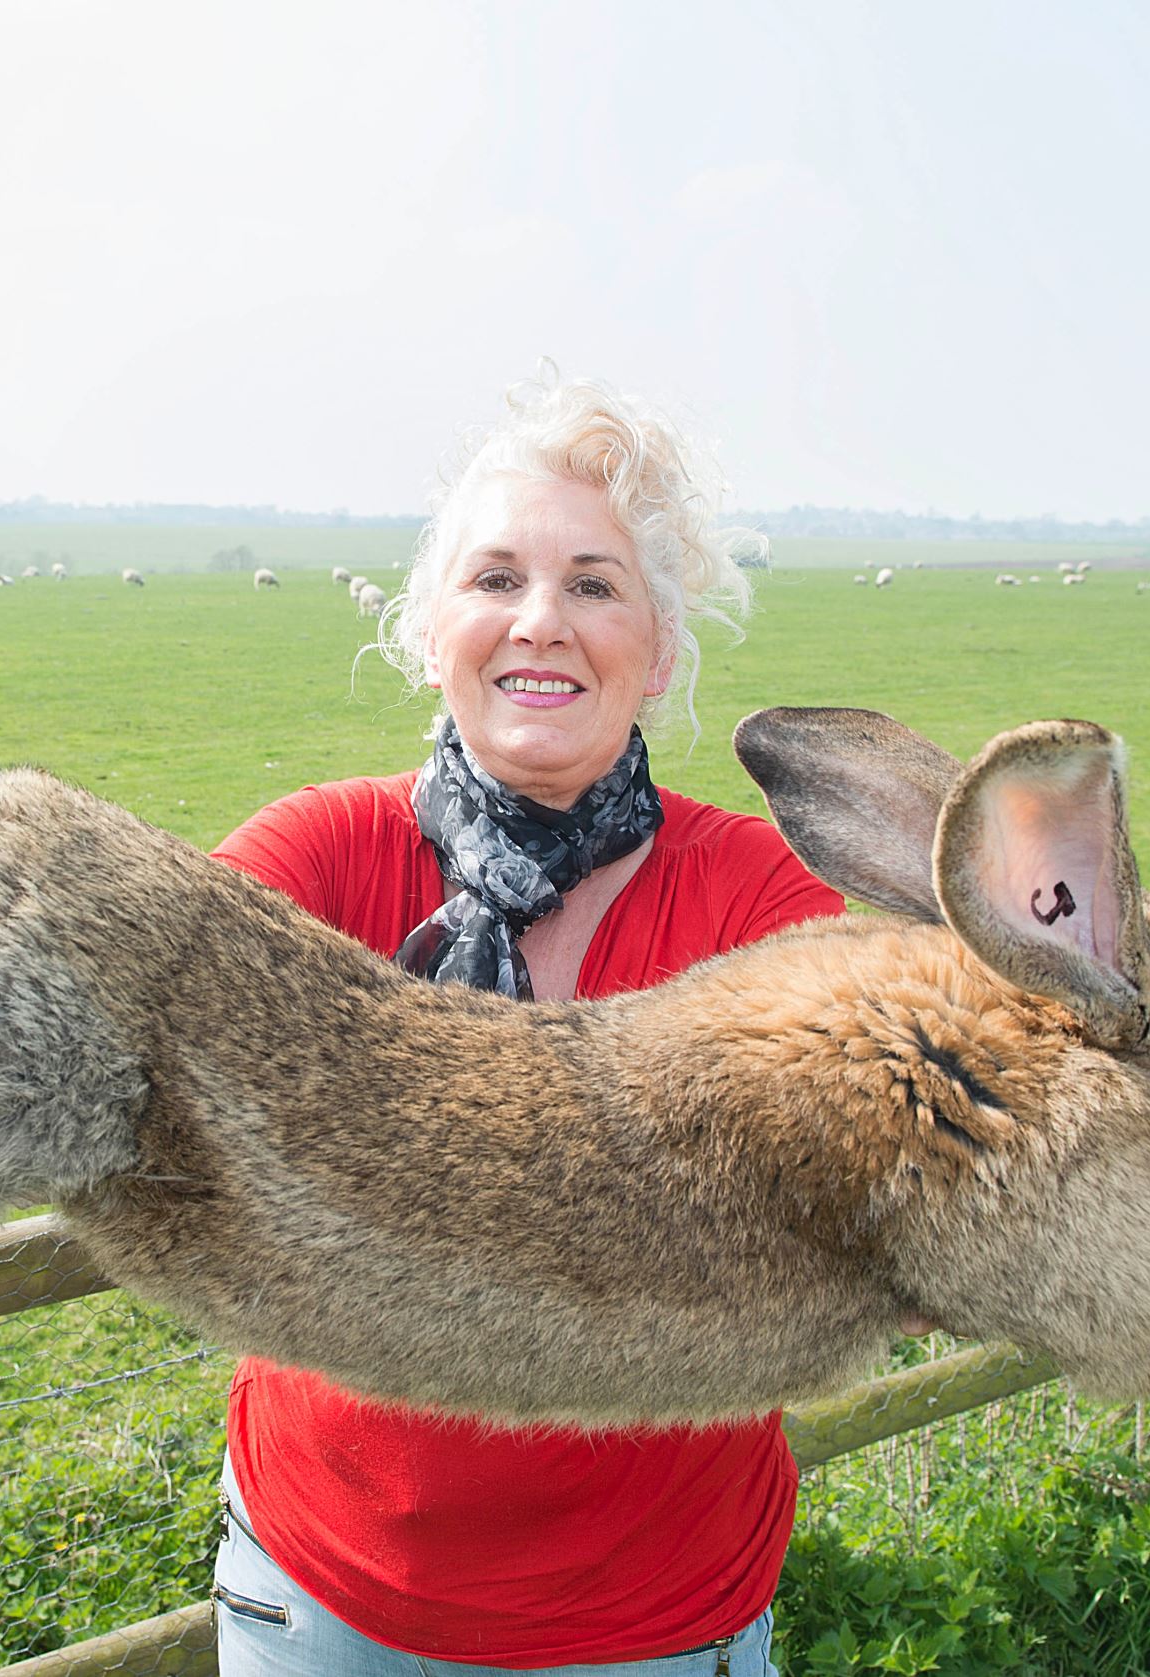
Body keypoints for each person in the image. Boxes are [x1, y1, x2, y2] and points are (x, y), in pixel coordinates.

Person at [204, 369, 845, 1676]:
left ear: (658, 647)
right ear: (432, 626)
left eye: (593, 584)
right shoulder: (322, 857)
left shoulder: (748, 898)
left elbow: (866, 1138)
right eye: (494, 579)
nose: (538, 621)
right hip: (319, 1597)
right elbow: (123, 994)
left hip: (646, 1629)